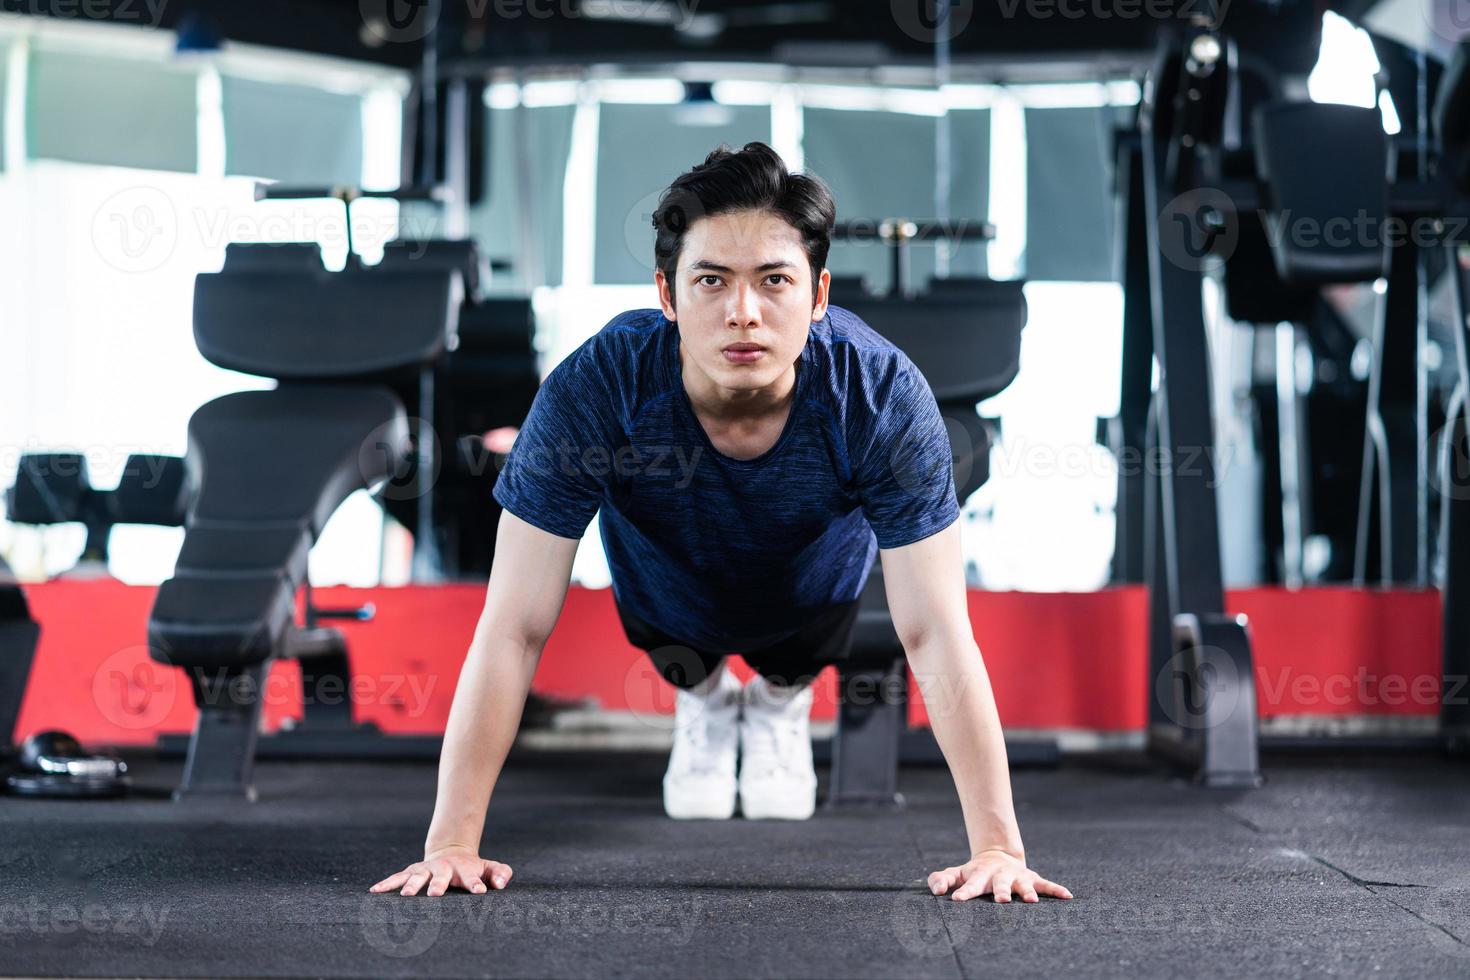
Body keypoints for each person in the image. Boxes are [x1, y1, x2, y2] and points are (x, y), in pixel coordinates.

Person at [371, 142, 1072, 905]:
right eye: (711, 281)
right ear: (667, 295)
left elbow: (936, 631)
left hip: (810, 600)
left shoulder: (880, 395)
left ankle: (776, 706)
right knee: (684, 659)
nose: (743, 312)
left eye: (774, 281)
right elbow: (512, 626)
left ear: (819, 294)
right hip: (668, 599)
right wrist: (451, 844)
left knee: (791, 659)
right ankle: (706, 706)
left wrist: (999, 847)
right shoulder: (599, 386)